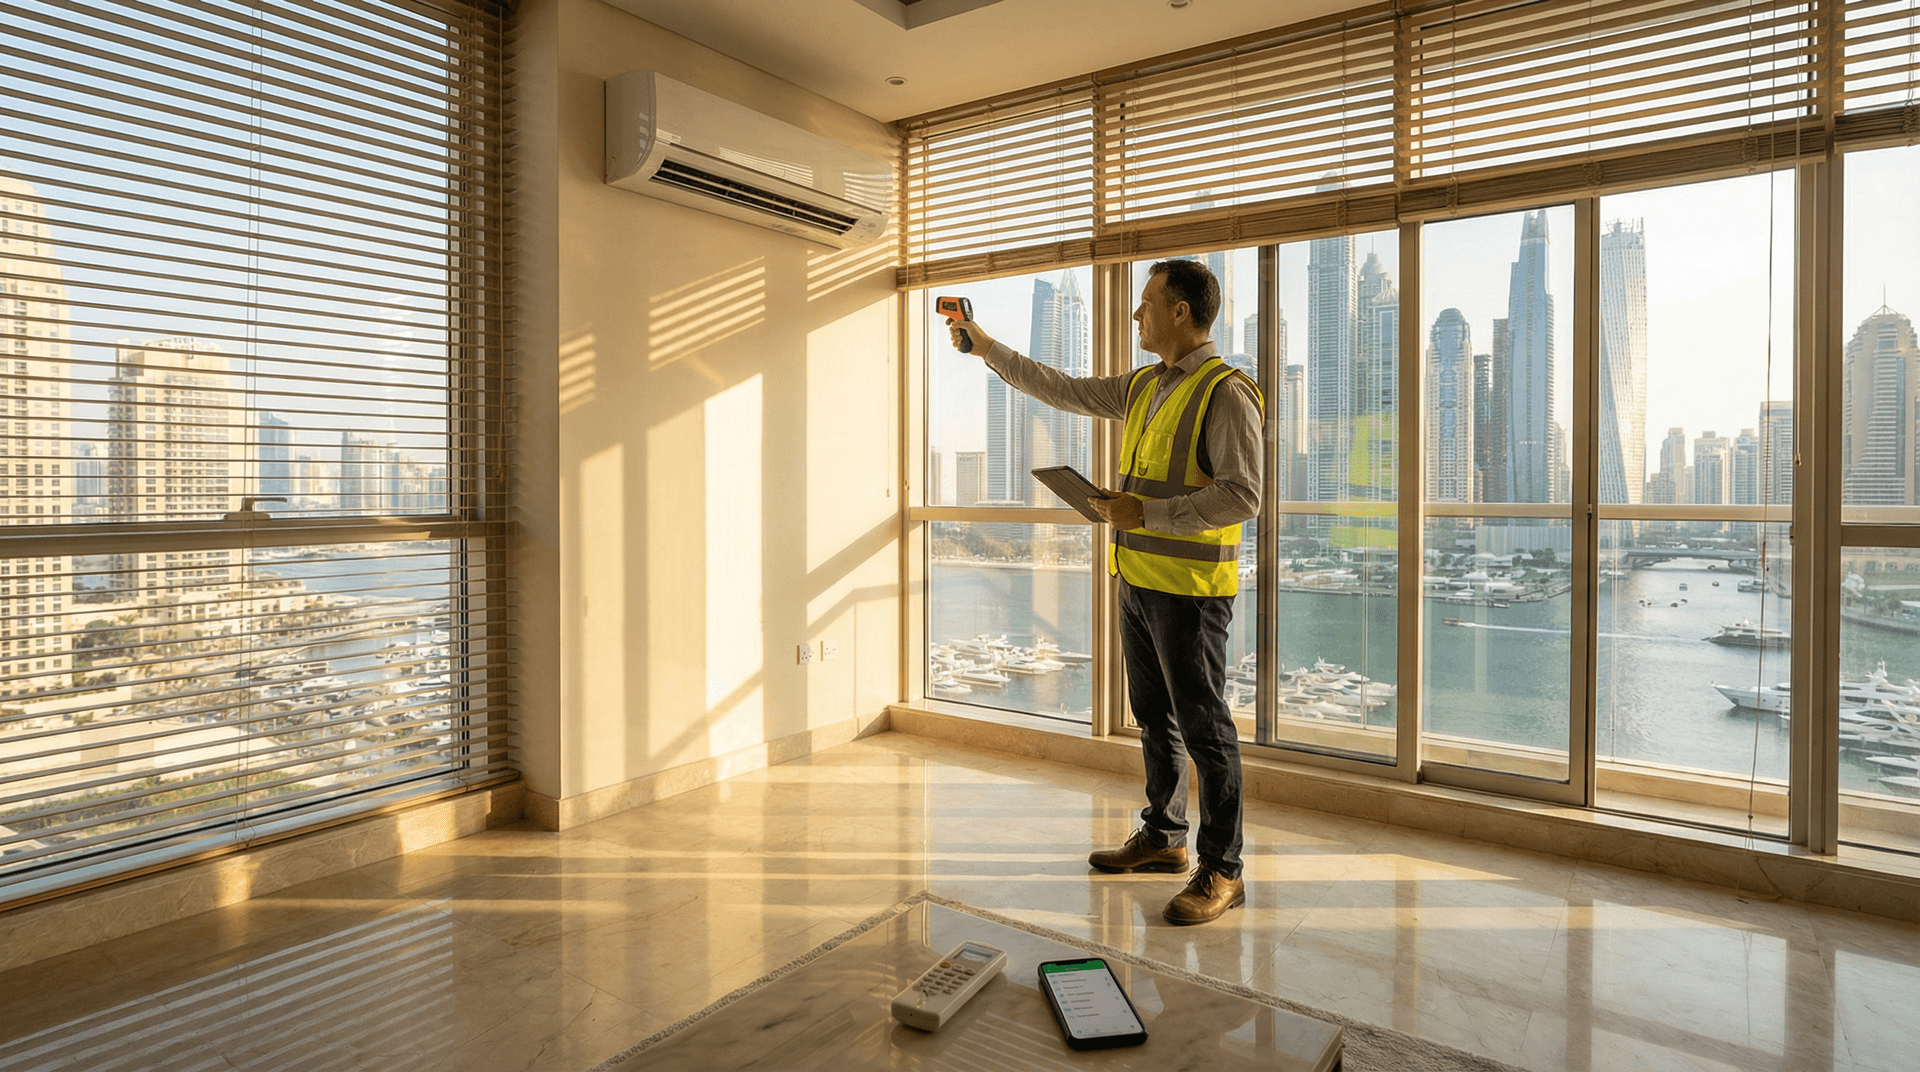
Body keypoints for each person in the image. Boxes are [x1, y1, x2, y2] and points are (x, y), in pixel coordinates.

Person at [948, 259, 1262, 925]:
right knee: (1155, 718)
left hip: (1192, 590)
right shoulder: (1146, 386)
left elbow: (1243, 496)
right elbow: (1063, 389)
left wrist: (1145, 515)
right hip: (1138, 579)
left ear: (1181, 312)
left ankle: (1223, 869)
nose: (1136, 314)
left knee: (1206, 729)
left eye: (1146, 302)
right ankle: (1164, 838)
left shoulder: (1225, 391)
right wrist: (987, 348)